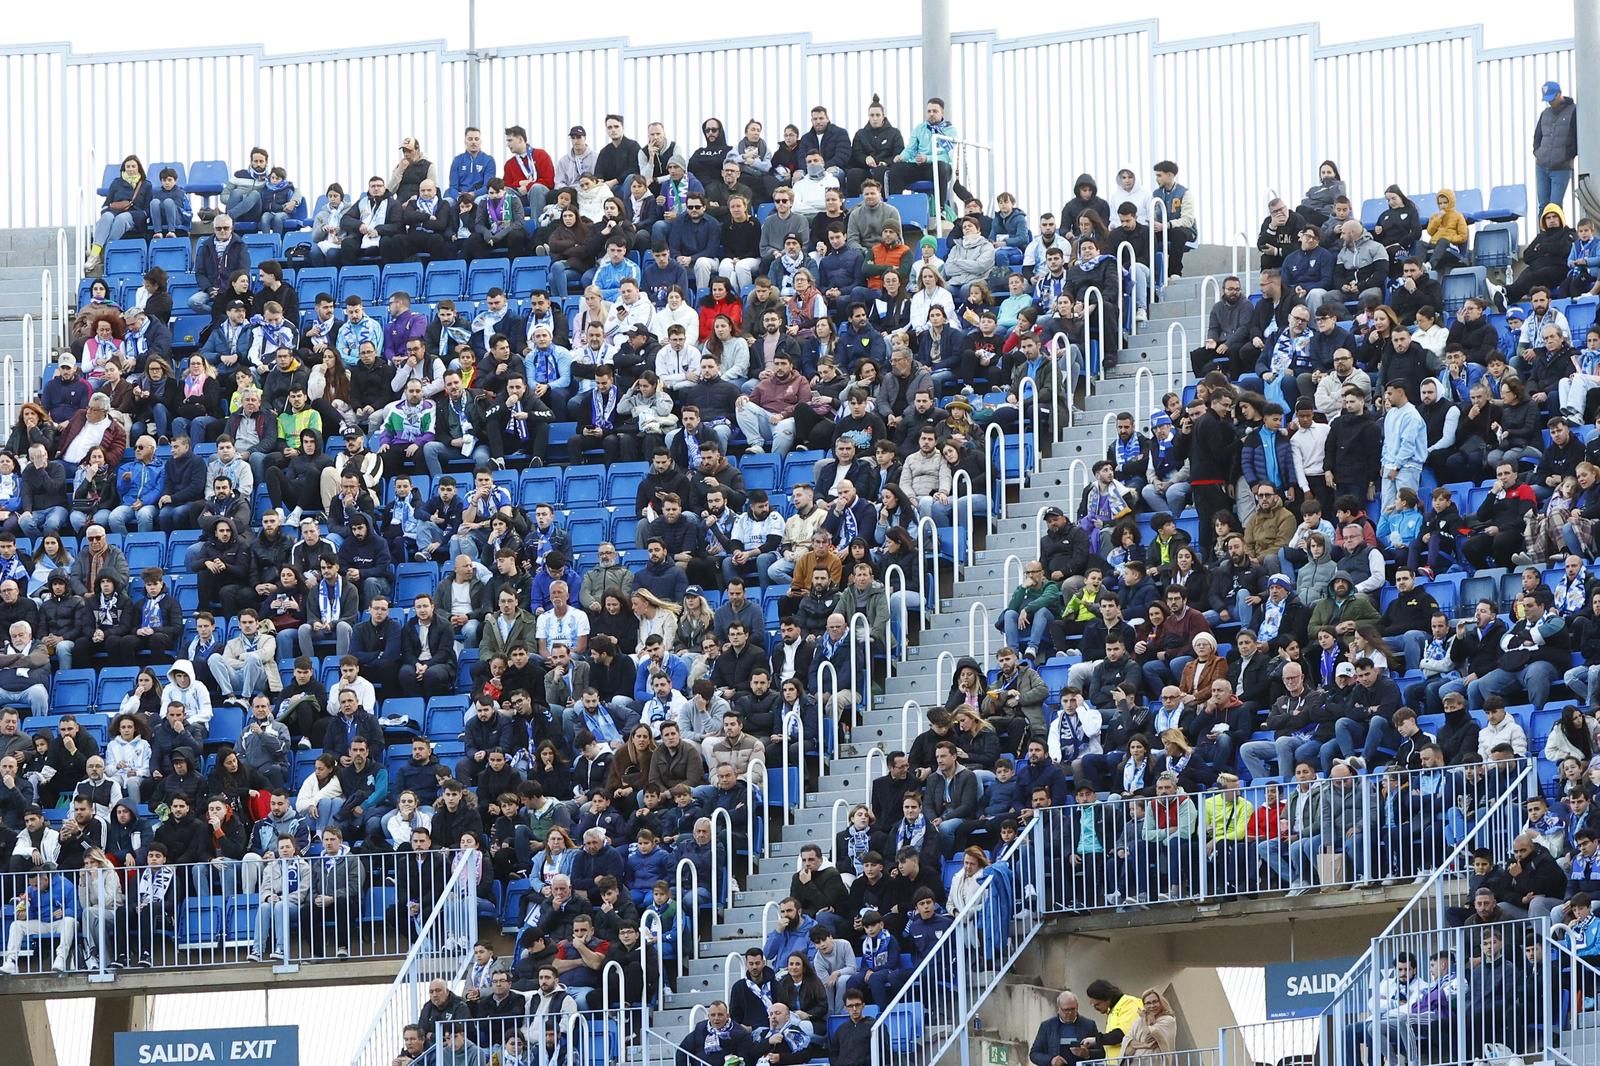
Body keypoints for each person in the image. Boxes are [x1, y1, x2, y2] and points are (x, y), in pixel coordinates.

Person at [1029, 990, 1105, 1065]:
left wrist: (1087, 1053)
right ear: (1058, 1009)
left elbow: (1102, 1053)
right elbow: (1034, 1054)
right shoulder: (1047, 1026)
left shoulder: (1088, 1025)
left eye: (1072, 1009)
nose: (1070, 1013)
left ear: (1077, 1007)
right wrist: (1051, 1060)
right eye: (1066, 1010)